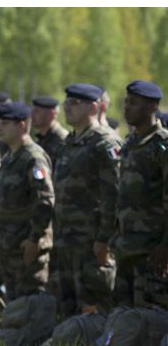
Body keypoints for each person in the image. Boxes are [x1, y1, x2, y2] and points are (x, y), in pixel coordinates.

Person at [53, 83, 122, 317]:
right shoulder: (69, 142)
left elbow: (114, 196)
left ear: (93, 108)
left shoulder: (105, 144)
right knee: (67, 304)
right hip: (66, 240)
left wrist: (104, 239)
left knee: (93, 304)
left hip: (91, 243)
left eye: (75, 103)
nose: (67, 107)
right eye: (66, 102)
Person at [113, 80, 168, 308]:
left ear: (152, 107)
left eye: (133, 103)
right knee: (124, 315)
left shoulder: (161, 145)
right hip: (126, 247)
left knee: (150, 316)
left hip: (151, 250)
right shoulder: (130, 143)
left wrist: (165, 244)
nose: (127, 107)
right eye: (126, 102)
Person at [0, 102, 54, 300]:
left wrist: (34, 240)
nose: (0, 128)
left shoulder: (33, 158)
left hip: (25, 248)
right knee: (13, 303)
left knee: (31, 302)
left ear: (22, 126)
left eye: (6, 124)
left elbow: (45, 201)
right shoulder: (10, 158)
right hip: (8, 246)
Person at [31, 96, 68, 171]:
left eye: (36, 111)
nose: (32, 115)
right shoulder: (41, 138)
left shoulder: (63, 139)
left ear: (51, 114)